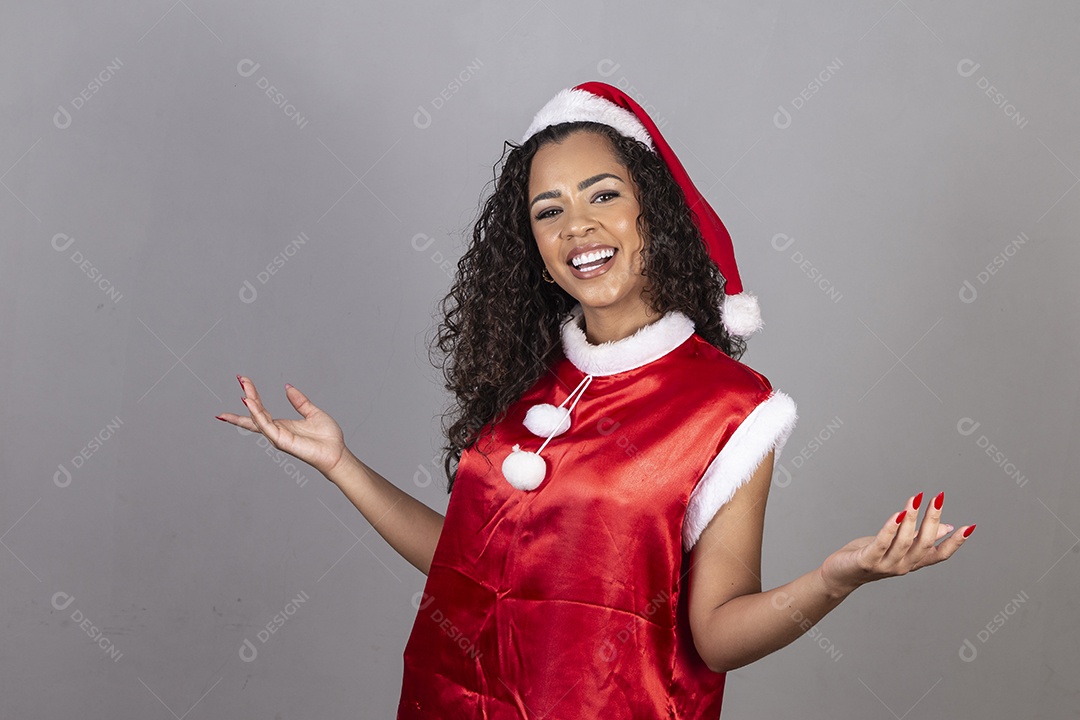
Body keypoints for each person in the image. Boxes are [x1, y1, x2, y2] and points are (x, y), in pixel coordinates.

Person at [217, 82, 975, 719]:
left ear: (654, 212)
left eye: (603, 195)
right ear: (534, 249)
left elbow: (714, 635)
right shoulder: (524, 376)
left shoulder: (731, 409)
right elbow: (465, 566)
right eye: (548, 210)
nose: (577, 225)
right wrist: (341, 464)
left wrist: (835, 579)